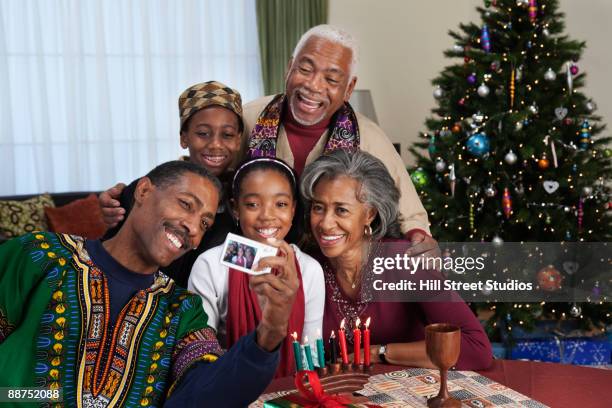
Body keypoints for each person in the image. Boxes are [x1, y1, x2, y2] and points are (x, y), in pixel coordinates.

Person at [0, 161, 299, 407]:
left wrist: (270, 330)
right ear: (143, 191)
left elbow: (208, 394)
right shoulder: (40, 256)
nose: (193, 228)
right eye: (185, 204)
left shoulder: (181, 311)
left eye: (205, 223)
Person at [242, 24, 438, 258]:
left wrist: (419, 238)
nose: (313, 86)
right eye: (305, 69)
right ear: (289, 68)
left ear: (349, 88)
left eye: (331, 79)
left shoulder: (369, 137)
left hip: (329, 263)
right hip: (253, 255)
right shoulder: (248, 118)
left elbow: (411, 216)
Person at [300, 150, 492, 370]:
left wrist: (378, 352)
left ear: (370, 214)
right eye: (318, 208)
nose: (325, 223)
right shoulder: (308, 268)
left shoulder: (406, 260)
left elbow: (475, 347)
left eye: (341, 210)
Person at [188, 157, 325, 377]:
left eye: (280, 204)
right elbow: (200, 351)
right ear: (235, 209)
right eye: (252, 204)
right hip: (227, 386)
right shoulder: (210, 265)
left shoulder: (309, 269)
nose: (267, 216)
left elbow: (311, 354)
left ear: (293, 210)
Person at [99, 81, 244, 287]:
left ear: (238, 140)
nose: (215, 144)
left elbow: (245, 264)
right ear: (184, 138)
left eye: (227, 135)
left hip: (197, 309)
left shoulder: (241, 206)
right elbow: (107, 254)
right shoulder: (151, 191)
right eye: (203, 133)